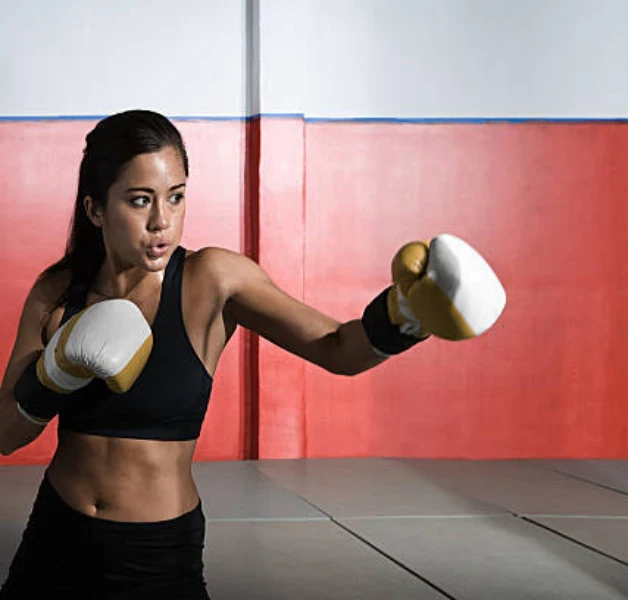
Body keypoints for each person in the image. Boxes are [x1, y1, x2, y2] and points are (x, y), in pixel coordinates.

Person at [0, 110, 505, 599]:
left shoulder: (212, 280)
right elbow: (6, 435)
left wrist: (403, 317)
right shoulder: (58, 292)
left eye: (175, 198)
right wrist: (53, 374)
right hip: (55, 540)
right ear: (95, 209)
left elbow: (337, 348)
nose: (162, 221)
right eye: (139, 201)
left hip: (154, 556)